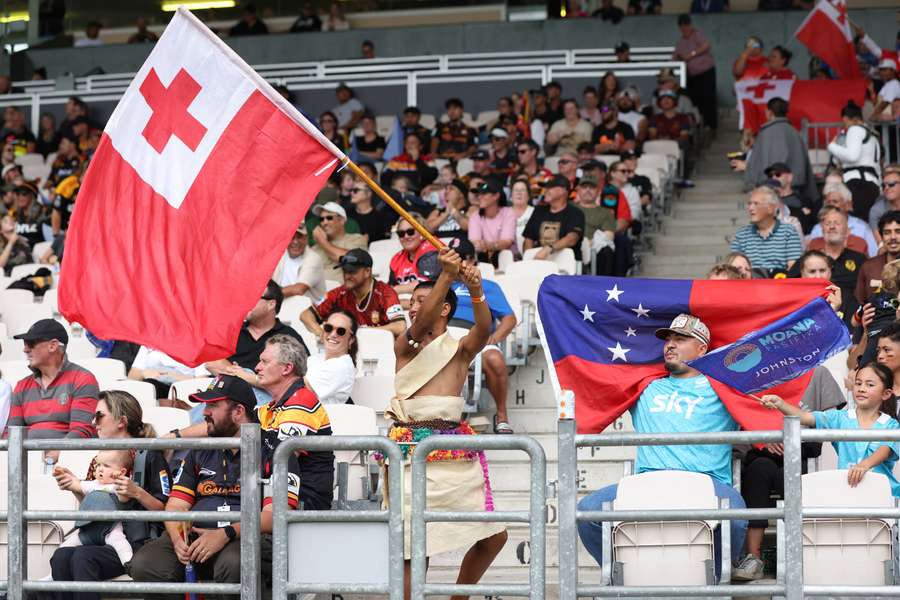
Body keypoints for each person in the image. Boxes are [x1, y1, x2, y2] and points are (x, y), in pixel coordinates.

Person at [577, 314, 747, 576]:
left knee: (735, 517)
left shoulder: (725, 387)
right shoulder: (644, 386)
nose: (670, 345)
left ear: (702, 349)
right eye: (668, 339)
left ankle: (719, 575)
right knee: (587, 512)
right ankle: (621, 576)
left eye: (680, 339)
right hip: (648, 483)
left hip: (705, 482)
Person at [383, 247, 507, 598]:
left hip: (453, 454)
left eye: (422, 300)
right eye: (412, 301)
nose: (413, 307)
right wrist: (447, 275)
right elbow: (420, 325)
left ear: (445, 307)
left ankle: (459, 597)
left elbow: (485, 328)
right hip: (410, 455)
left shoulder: (460, 348)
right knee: (410, 549)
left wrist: (478, 290)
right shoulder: (404, 347)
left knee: (494, 536)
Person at [130, 376, 272, 597]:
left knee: (234, 564)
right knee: (146, 564)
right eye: (205, 405)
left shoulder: (272, 450)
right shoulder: (201, 449)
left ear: (238, 411)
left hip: (243, 537)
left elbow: (275, 515)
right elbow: (175, 506)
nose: (205, 412)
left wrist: (225, 533)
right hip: (195, 539)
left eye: (213, 405)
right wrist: (178, 538)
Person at [48, 390, 169, 598]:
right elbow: (95, 505)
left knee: (82, 558)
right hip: (98, 536)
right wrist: (75, 487)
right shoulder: (100, 457)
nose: (94, 422)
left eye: (99, 415)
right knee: (60, 556)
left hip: (134, 544)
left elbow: (168, 510)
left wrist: (137, 493)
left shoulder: (149, 454)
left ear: (121, 421)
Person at [734, 363, 844, 581]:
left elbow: (829, 421)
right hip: (763, 450)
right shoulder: (754, 373)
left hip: (802, 449)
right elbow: (742, 420)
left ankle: (796, 554)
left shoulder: (817, 371)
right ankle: (753, 557)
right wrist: (763, 441)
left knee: (791, 476)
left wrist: (792, 441)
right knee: (757, 471)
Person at [760, 363, 900, 496]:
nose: (862, 388)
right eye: (858, 383)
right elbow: (806, 417)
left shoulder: (891, 425)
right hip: (847, 491)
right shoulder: (839, 418)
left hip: (883, 494)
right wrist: (780, 404)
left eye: (869, 385)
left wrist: (864, 465)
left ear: (886, 394)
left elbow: (885, 449)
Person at [6, 319, 99, 447]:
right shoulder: (22, 386)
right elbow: (13, 435)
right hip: (27, 461)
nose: (25, 349)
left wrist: (55, 456)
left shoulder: (83, 379)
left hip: (67, 461)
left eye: (31, 343)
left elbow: (81, 432)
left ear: (53, 346)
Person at [205, 279, 309, 392]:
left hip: (266, 399)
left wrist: (249, 377)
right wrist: (243, 376)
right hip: (226, 392)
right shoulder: (232, 329)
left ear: (271, 304)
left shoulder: (288, 336)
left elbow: (299, 379)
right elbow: (212, 363)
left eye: (252, 297)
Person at [301, 248, 406, 338]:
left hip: (378, 351)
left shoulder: (385, 293)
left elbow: (400, 326)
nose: (347, 276)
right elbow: (306, 315)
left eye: (352, 271)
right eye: (344, 271)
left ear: (367, 271)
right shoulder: (339, 293)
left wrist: (364, 333)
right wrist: (323, 335)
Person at [732, 97, 815, 201]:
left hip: (772, 195)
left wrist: (747, 167)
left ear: (769, 112)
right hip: (795, 191)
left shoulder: (766, 134)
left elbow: (761, 167)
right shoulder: (794, 133)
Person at [827, 101, 882, 220]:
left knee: (854, 222)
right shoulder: (872, 134)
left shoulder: (855, 129)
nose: (845, 126)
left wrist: (832, 146)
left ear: (846, 119)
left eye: (844, 122)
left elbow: (852, 156)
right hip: (872, 184)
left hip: (857, 183)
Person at [730, 186, 804, 272]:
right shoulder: (741, 235)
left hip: (780, 283)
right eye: (749, 204)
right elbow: (734, 269)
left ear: (771, 208)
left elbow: (793, 268)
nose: (750, 208)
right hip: (750, 283)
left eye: (756, 203)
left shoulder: (788, 232)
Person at [522, 175, 586, 262]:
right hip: (539, 263)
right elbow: (528, 238)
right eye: (545, 188)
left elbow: (571, 239)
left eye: (549, 188)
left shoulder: (575, 213)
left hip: (566, 266)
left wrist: (549, 249)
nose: (545, 191)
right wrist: (528, 259)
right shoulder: (539, 211)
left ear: (563, 190)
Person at [808, 182, 878, 257]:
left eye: (835, 201)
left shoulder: (862, 228)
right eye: (828, 203)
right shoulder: (818, 229)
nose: (831, 205)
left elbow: (874, 255)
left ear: (847, 205)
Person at [673, 14, 717, 131]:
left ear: (690, 25)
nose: (685, 28)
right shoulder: (681, 41)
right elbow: (675, 56)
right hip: (692, 76)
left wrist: (691, 54)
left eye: (686, 25)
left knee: (708, 99)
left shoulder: (698, 34)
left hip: (706, 72)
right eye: (682, 26)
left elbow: (706, 45)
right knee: (696, 100)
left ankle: (711, 125)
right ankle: (700, 124)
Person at [305, 310, 357, 405]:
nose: (333, 334)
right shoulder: (314, 359)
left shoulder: (342, 366)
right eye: (328, 328)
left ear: (351, 340)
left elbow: (297, 387)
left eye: (341, 331)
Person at [310, 201, 368, 281]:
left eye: (329, 218)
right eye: (321, 219)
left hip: (343, 291)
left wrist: (323, 242)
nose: (324, 222)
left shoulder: (357, 239)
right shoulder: (315, 247)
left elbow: (352, 260)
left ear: (342, 220)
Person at [271, 224, 326, 302]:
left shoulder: (314, 258)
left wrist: (269, 295)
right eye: (292, 237)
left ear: (306, 238)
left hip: (309, 308)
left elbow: (298, 289)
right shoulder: (279, 254)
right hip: (280, 304)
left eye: (299, 237)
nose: (295, 242)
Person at [468, 179, 516, 266]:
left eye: (484, 194)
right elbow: (475, 243)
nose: (479, 197)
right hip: (483, 262)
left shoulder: (508, 213)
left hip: (508, 262)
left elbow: (507, 242)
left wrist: (488, 245)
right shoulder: (475, 216)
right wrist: (483, 245)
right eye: (479, 194)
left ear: (496, 196)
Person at [128, 345, 204, 399]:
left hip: (181, 392)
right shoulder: (149, 341)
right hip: (149, 386)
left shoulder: (198, 344)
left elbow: (201, 383)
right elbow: (132, 376)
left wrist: (169, 375)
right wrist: (143, 373)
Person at [856, 211, 900, 305]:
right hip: (876, 318)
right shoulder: (869, 267)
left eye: (898, 231)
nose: (893, 237)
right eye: (887, 233)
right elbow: (859, 302)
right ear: (881, 237)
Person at [389, 215, 437, 297]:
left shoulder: (432, 251)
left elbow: (426, 286)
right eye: (401, 233)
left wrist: (395, 290)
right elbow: (390, 287)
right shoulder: (396, 259)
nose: (406, 236)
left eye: (410, 232)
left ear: (422, 232)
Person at [868, 167, 900, 231]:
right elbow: (878, 240)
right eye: (883, 186)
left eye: (891, 184)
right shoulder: (876, 210)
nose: (886, 188)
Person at [509, 178, 533, 256]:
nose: (519, 193)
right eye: (516, 190)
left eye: (522, 190)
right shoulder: (503, 214)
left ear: (528, 196)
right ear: (511, 195)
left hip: (531, 255)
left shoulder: (535, 212)